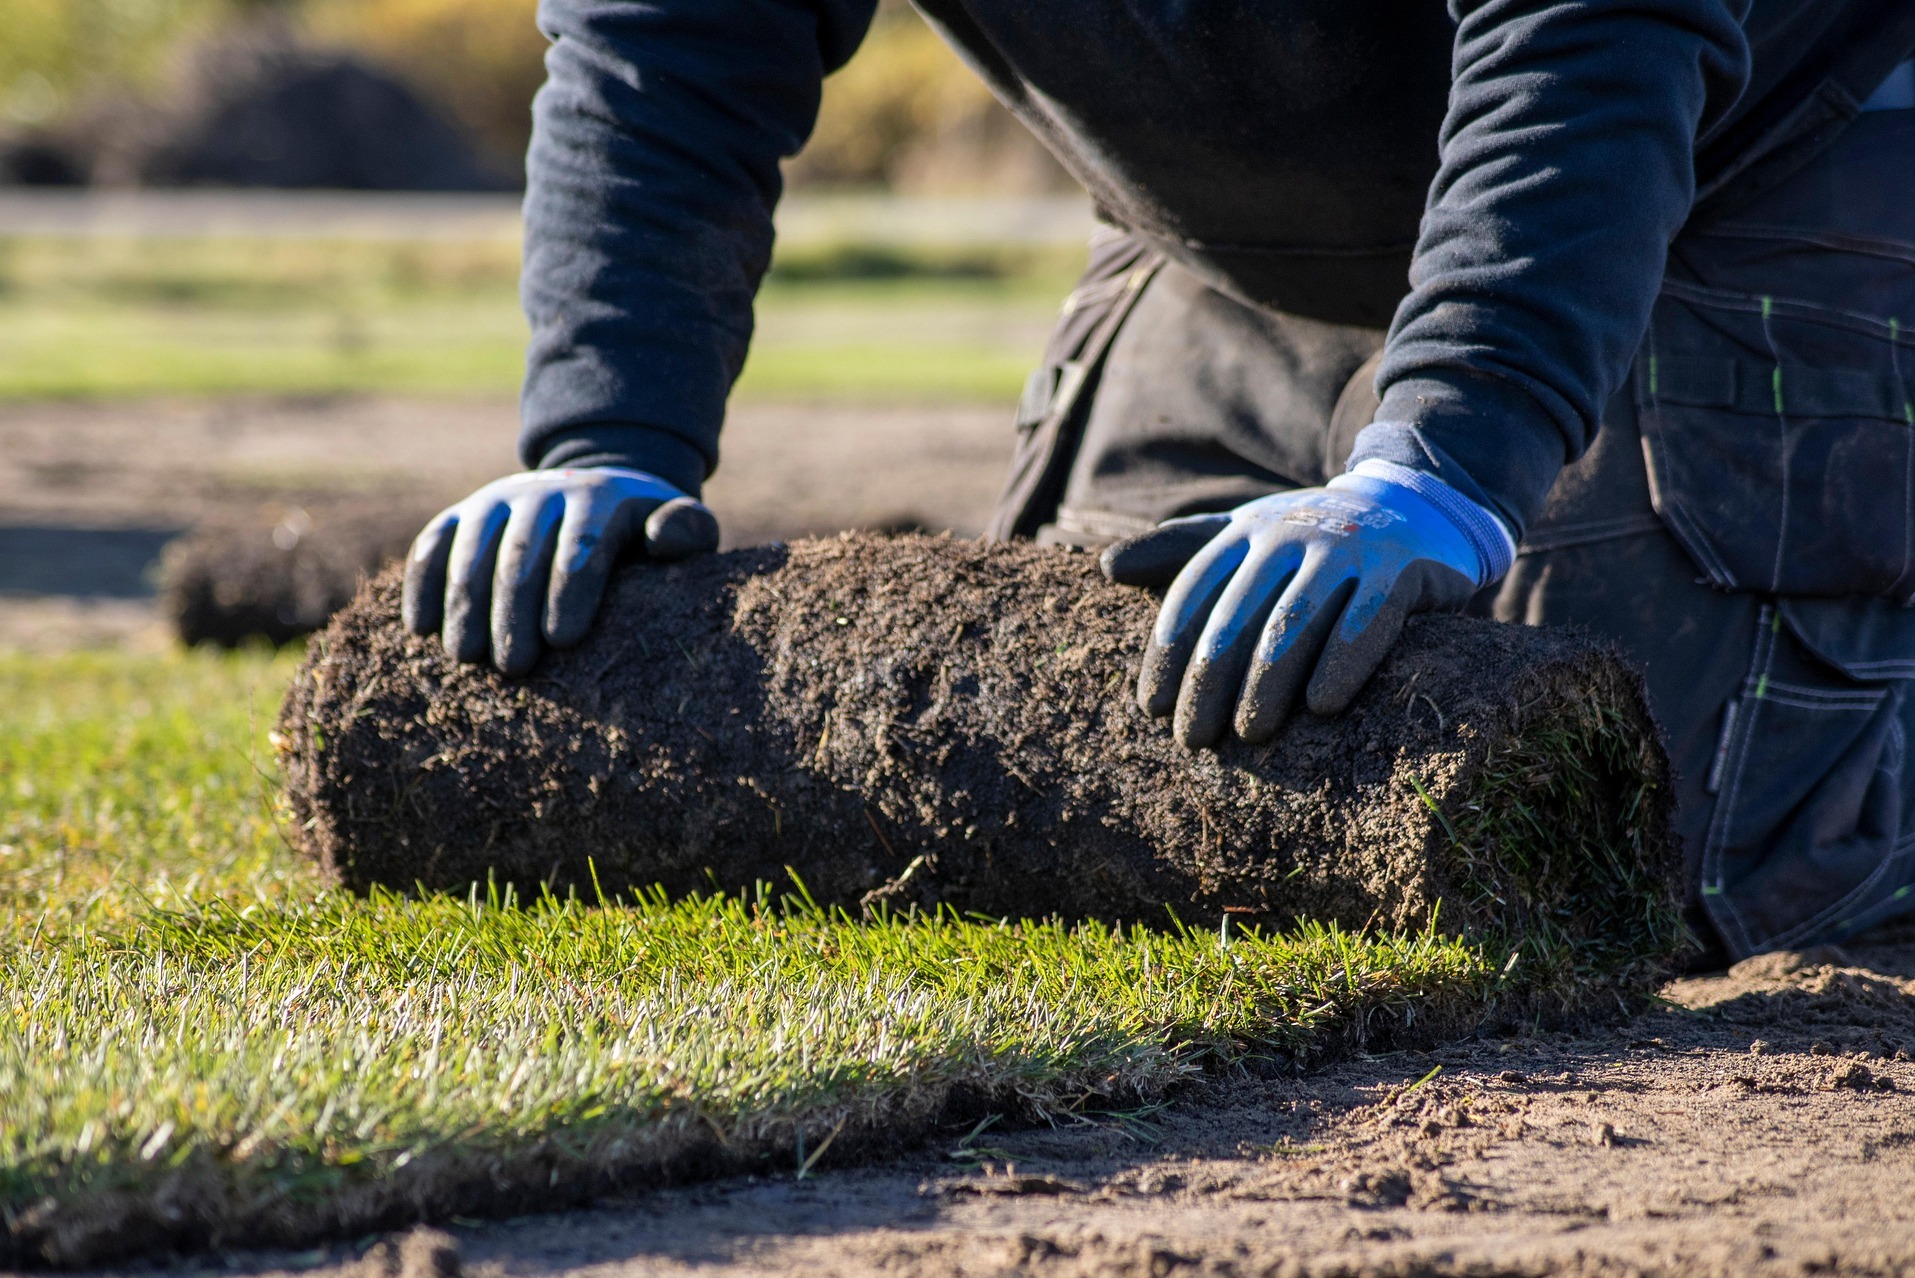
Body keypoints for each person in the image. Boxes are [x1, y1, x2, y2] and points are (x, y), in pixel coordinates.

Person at [402, 0, 1915, 963]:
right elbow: (668, 38)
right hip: (1219, 230)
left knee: (1662, 842)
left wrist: (1447, 453)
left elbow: (1592, 35)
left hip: (1744, 148)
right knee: (1084, 785)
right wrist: (606, 432)